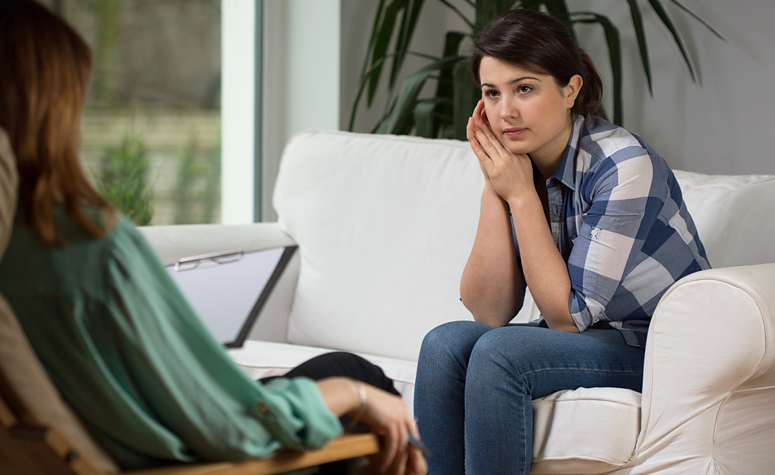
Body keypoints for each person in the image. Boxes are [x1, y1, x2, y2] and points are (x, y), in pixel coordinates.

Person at [0, 1, 425, 474]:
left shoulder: (16, 246)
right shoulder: (87, 248)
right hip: (188, 455)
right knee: (356, 377)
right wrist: (354, 395)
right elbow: (235, 427)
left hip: (110, 437)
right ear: (54, 107)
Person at [413, 9, 710, 475]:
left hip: (658, 345)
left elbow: (569, 319)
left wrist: (520, 197)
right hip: (591, 337)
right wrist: (497, 185)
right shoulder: (520, 160)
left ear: (570, 90)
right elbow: (489, 311)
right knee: (444, 343)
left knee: (500, 353)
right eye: (492, 93)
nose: (505, 111)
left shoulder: (624, 165)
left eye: (525, 88)